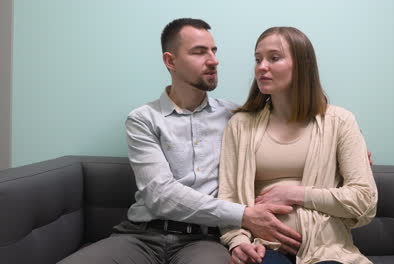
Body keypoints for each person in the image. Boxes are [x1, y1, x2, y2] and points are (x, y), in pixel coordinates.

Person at [58, 18, 302, 264]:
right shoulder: (143, 119)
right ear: (170, 61)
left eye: (213, 51)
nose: (213, 60)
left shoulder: (235, 118)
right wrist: (244, 215)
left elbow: (283, 138)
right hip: (141, 236)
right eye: (199, 52)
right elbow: (159, 195)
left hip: (205, 241)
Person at [218, 27, 378, 264]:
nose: (262, 67)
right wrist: (238, 241)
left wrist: (296, 194)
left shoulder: (340, 122)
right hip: (263, 249)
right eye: (258, 59)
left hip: (329, 251)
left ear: (302, 65)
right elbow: (228, 197)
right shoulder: (240, 125)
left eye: (274, 58)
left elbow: (364, 200)